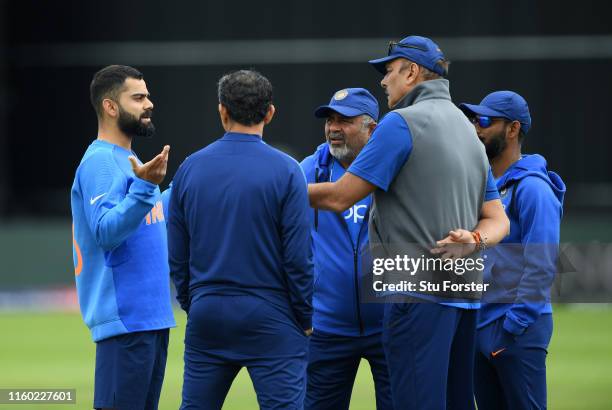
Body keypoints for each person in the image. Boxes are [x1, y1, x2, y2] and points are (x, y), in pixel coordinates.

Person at [308, 35, 510, 410]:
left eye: (388, 72)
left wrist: (277, 186)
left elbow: (339, 197)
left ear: (412, 72)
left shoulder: (401, 122)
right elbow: (498, 219)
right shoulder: (467, 129)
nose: (383, 81)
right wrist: (475, 240)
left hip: (414, 293)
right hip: (465, 297)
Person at [167, 70, 313, 410]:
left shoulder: (190, 168)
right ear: (270, 113)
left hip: (208, 310)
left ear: (222, 111)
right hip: (272, 314)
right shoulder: (287, 170)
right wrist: (305, 316)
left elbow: (178, 251)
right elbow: (299, 256)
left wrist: (194, 300)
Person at [70, 65, 176, 410]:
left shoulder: (128, 158)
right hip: (126, 323)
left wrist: (184, 188)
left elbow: (147, 215)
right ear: (110, 106)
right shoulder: (100, 161)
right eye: (139, 97)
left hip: (149, 319)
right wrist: (147, 186)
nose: (150, 104)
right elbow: (105, 230)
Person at [459, 91, 565, 410]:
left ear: (513, 129)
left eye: (486, 121)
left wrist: (513, 327)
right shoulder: (483, 184)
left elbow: (542, 265)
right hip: (480, 324)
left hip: (514, 328)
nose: (477, 128)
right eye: (474, 120)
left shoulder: (532, 188)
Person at [300, 88, 392, 410]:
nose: (333, 127)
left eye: (345, 120)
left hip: (389, 325)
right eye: (330, 119)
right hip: (326, 328)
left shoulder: (397, 171)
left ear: (373, 129)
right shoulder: (309, 170)